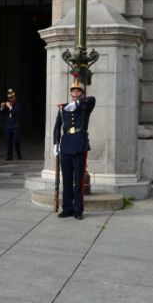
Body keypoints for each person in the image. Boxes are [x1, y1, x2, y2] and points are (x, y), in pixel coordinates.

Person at [53, 79, 96, 220]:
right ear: (70, 93)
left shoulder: (85, 106)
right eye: (73, 91)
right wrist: (56, 144)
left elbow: (92, 99)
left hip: (79, 143)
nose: (75, 93)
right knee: (66, 179)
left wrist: (77, 103)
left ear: (81, 94)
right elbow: (57, 127)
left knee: (78, 180)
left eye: (78, 91)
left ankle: (78, 209)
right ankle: (67, 208)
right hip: (65, 144)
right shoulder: (63, 108)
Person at [1, 88, 23, 160]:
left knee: (16, 141)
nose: (11, 99)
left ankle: (19, 154)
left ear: (15, 97)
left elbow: (17, 112)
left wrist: (10, 107)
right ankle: (9, 156)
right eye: (10, 98)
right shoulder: (7, 104)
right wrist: (2, 107)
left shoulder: (18, 104)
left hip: (16, 126)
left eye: (12, 97)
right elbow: (2, 114)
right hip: (8, 126)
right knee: (8, 142)